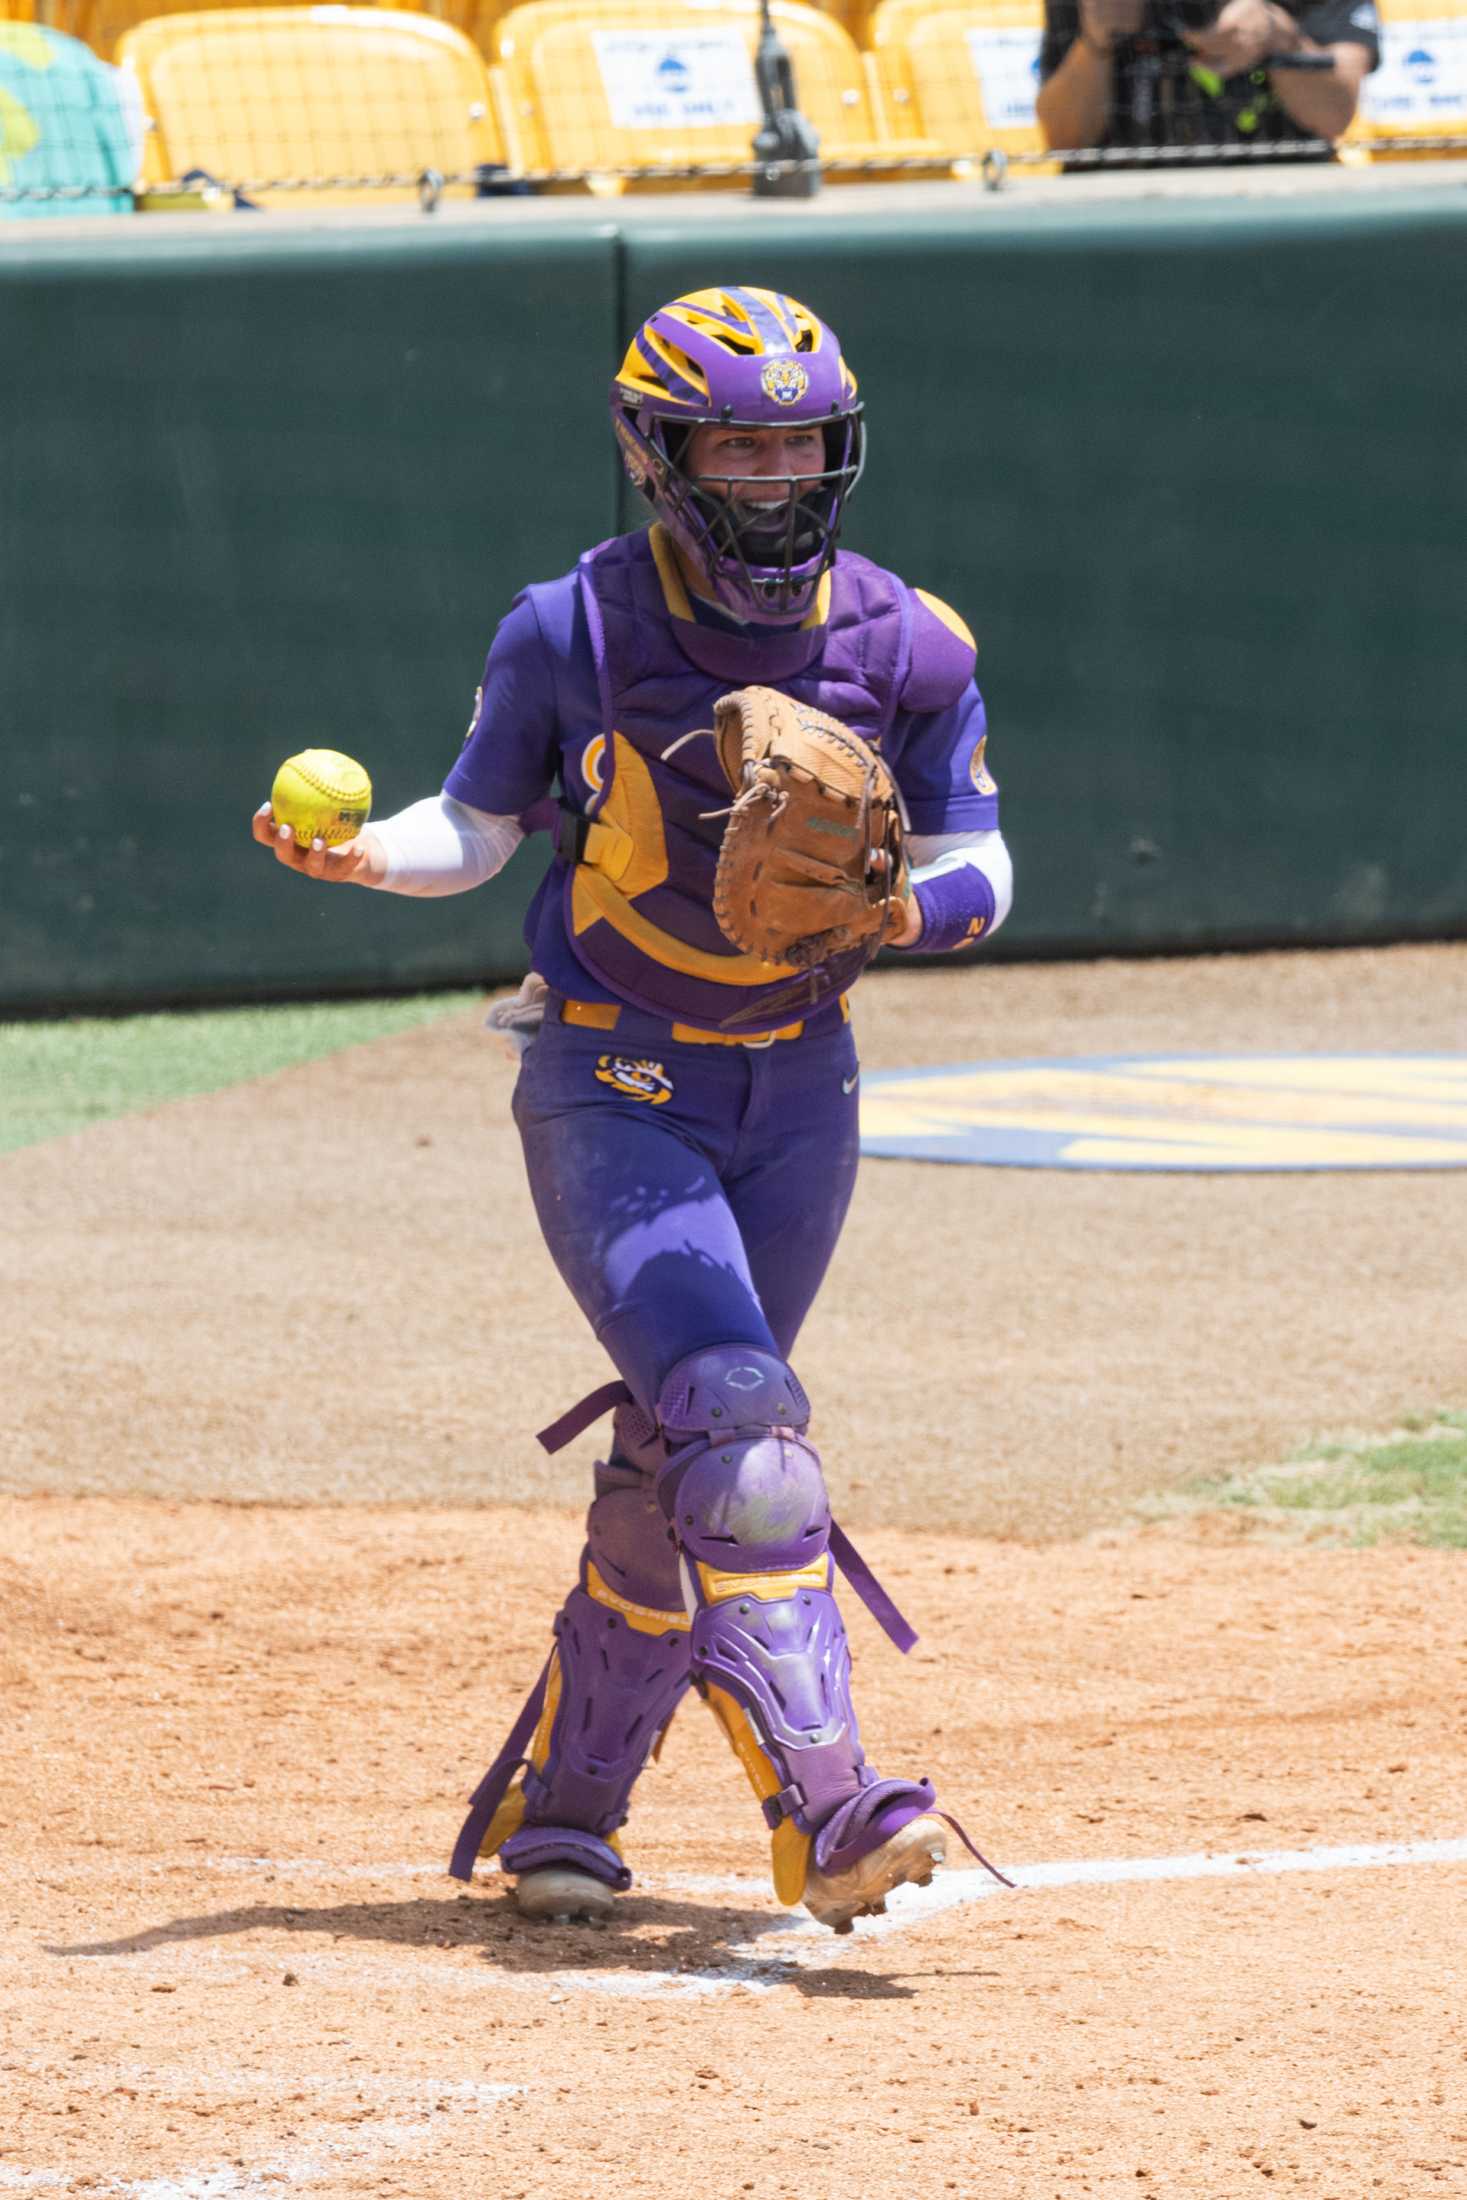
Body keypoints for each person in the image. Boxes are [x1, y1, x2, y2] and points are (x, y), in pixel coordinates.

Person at [250, 286, 1014, 1934]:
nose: (769, 474)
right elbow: (478, 821)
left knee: (688, 1444)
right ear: (659, 451)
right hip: (611, 1077)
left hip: (800, 1093)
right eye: (734, 441)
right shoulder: (571, 628)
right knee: (744, 1423)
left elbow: (984, 861)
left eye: (796, 442)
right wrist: (364, 851)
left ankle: (566, 1811)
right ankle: (827, 1809)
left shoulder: (910, 641)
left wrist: (898, 915)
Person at [1034, 0, 1380, 157]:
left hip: (1276, 199)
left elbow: (1335, 115)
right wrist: (1096, 42)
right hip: (1127, 206)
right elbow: (1063, 139)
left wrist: (1278, 35)